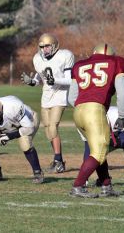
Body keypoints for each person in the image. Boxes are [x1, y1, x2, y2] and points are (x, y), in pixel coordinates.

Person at [67, 43, 124, 198]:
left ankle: (106, 185)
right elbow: (123, 93)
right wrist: (121, 116)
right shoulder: (117, 62)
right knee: (99, 151)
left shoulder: (79, 65)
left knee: (98, 148)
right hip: (94, 110)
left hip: (78, 111)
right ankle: (78, 186)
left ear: (94, 52)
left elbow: (71, 98)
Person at [21, 33, 74, 174]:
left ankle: (58, 161)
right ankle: (58, 160)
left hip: (61, 95)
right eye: (42, 46)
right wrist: (31, 82)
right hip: (46, 96)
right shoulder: (38, 59)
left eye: (47, 46)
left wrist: (55, 81)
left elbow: (70, 80)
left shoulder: (65, 56)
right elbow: (39, 78)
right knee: (47, 129)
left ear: (55, 46)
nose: (44, 49)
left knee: (53, 126)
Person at [0, 96, 44, 184]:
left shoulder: (13, 107)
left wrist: (9, 136)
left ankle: (38, 173)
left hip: (27, 122)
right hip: (6, 128)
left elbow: (29, 128)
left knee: (25, 143)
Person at [81, 106, 124, 191]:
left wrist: (104, 143)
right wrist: (84, 178)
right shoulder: (84, 123)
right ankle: (104, 180)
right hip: (115, 135)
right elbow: (89, 151)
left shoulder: (115, 115)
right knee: (97, 152)